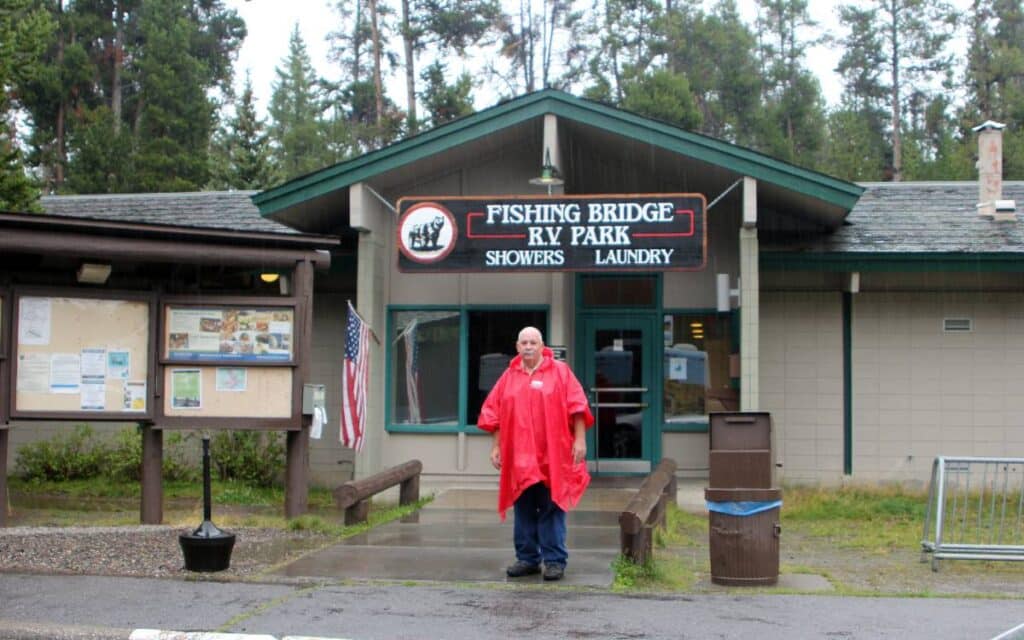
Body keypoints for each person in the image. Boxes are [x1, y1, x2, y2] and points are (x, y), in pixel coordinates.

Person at [477, 326, 594, 581]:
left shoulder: (560, 373)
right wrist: (496, 446)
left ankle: (554, 560)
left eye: (533, 342)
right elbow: (492, 414)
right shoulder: (508, 376)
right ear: (517, 347)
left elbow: (578, 408)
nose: (529, 346)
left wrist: (581, 441)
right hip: (519, 457)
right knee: (524, 506)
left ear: (542, 346)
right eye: (524, 342)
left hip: (554, 454)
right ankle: (527, 558)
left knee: (552, 506)